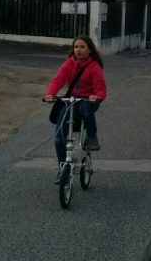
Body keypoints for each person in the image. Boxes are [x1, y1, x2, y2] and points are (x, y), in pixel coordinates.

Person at [42, 35, 107, 174]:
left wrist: (97, 96)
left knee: (84, 110)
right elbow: (58, 80)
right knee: (59, 138)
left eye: (82, 47)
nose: (78, 50)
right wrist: (50, 94)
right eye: (76, 47)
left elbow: (100, 88)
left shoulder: (94, 66)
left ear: (89, 50)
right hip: (70, 101)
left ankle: (92, 136)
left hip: (88, 101)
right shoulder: (69, 63)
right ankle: (62, 169)